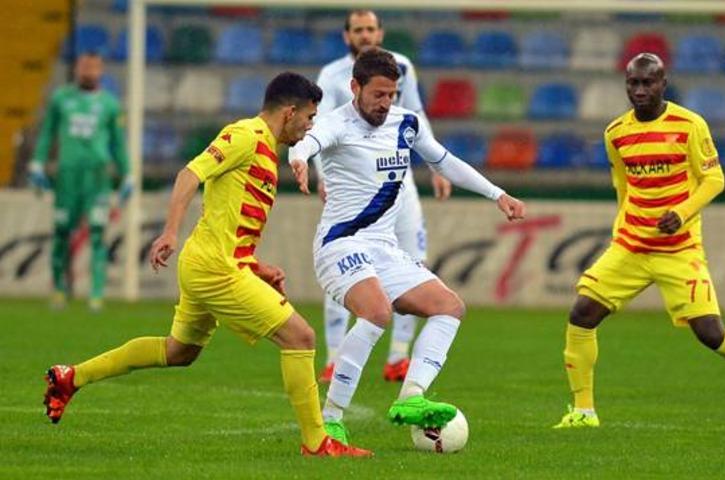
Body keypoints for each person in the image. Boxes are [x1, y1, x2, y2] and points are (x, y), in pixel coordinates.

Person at [41, 72, 371, 457]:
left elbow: (229, 221)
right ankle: (316, 442)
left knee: (179, 352)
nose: (310, 125)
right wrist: (169, 231)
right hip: (214, 269)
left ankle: (71, 377)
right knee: (301, 337)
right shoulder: (245, 135)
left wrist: (256, 267)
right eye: (309, 117)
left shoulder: (266, 149)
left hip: (213, 263)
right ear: (290, 112)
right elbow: (189, 174)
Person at [289, 48, 525, 445]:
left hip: (383, 249)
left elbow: (445, 161)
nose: (386, 103)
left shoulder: (406, 124)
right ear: (355, 87)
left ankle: (411, 396)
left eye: (392, 94)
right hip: (340, 244)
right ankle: (330, 419)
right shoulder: (337, 124)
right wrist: (298, 159)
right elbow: (308, 141)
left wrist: (497, 193)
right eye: (378, 94)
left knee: (449, 307)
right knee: (377, 312)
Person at [553, 53, 725, 429]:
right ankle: (584, 411)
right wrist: (621, 226)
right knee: (582, 314)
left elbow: (714, 180)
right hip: (631, 246)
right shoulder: (616, 133)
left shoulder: (689, 125)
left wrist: (682, 212)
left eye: (648, 82)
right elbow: (623, 185)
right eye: (633, 83)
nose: (640, 90)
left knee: (710, 333)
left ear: (664, 83)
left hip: (679, 248)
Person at [313, 9, 452, 383]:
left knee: (413, 263)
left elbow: (416, 115)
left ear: (380, 32)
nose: (365, 35)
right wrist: (323, 176)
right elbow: (320, 129)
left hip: (399, 183)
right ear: (347, 36)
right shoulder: (332, 75)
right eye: (358, 30)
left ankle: (398, 357)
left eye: (371, 29)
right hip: (355, 185)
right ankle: (333, 358)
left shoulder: (401, 67)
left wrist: (437, 167)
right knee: (345, 268)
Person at [29, 51, 132, 311]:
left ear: (101, 70)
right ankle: (59, 289)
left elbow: (118, 144)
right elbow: (47, 133)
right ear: (76, 68)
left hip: (98, 177)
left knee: (97, 232)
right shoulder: (61, 99)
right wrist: (37, 162)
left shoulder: (110, 105)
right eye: (84, 66)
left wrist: (127, 173)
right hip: (67, 176)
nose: (88, 71)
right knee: (61, 232)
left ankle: (96, 294)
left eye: (93, 67)